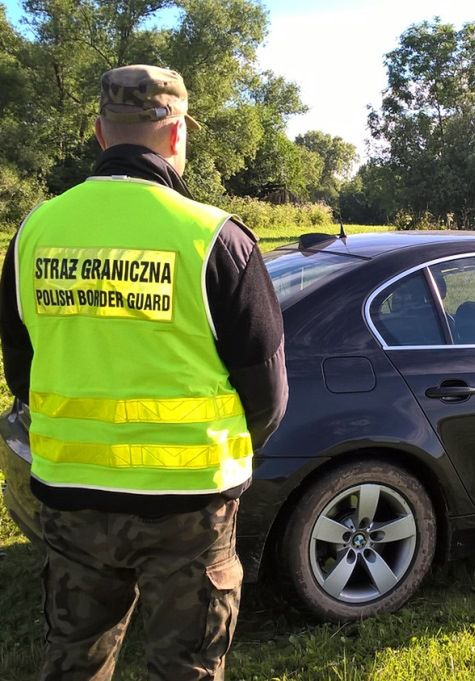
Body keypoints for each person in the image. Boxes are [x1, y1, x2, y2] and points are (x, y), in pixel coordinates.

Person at [0, 65, 288, 680]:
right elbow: (267, 393)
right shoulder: (216, 238)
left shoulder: (34, 232)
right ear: (177, 133)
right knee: (184, 668)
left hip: (70, 496)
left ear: (102, 134)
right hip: (187, 506)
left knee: (74, 662)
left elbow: (22, 374)